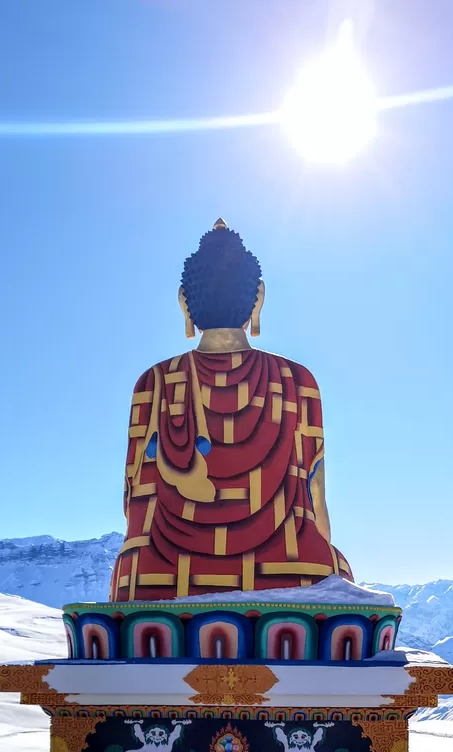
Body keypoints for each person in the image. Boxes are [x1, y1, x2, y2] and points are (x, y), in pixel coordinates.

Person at [110, 220, 352, 601]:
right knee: (332, 578)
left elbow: (133, 501)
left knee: (135, 572)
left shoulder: (153, 383)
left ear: (183, 302)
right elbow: (315, 498)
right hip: (288, 573)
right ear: (258, 300)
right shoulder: (297, 380)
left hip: (160, 576)